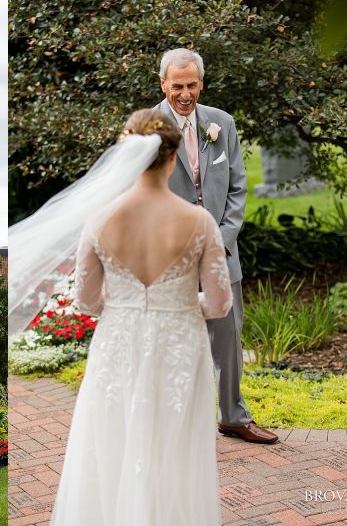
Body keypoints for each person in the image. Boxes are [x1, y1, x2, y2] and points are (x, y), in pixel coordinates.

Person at [31, 109, 231, 525]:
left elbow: (86, 300)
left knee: (112, 442)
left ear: (127, 156)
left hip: (117, 343)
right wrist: (175, 303)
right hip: (179, 347)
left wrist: (125, 306)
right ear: (173, 158)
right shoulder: (200, 222)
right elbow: (218, 305)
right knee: (175, 451)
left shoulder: (100, 219)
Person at [156, 48, 278, 444]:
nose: (185, 94)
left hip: (222, 255)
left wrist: (219, 241)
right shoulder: (149, 128)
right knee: (174, 342)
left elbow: (238, 188)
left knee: (228, 337)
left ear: (201, 83)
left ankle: (233, 417)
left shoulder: (221, 124)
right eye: (178, 86)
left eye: (192, 85)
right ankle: (176, 426)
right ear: (163, 84)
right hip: (172, 258)